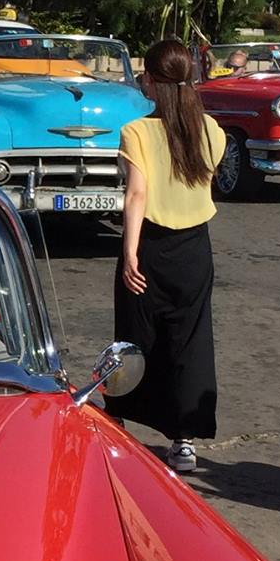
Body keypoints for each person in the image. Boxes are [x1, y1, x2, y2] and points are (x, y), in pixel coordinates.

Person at [110, 36, 227, 474]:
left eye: (145, 73)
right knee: (190, 339)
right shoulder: (211, 130)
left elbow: (136, 193)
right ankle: (184, 439)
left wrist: (130, 251)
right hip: (196, 246)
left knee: (135, 333)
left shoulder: (137, 131)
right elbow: (208, 179)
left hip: (152, 243)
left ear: (156, 83)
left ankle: (121, 417)